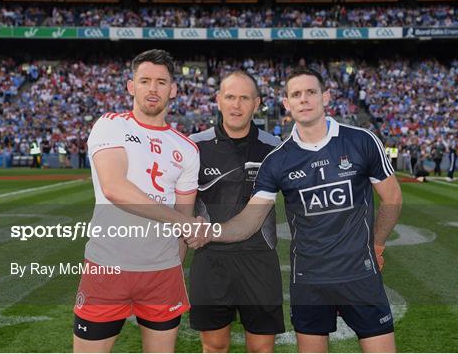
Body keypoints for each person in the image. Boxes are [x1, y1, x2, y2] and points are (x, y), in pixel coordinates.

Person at [186, 67, 402, 353]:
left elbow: (393, 198)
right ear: (286, 103)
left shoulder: (361, 140)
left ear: (325, 96)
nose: (304, 99)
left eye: (311, 92)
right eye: (296, 94)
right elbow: (250, 220)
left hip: (358, 275)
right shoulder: (277, 160)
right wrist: (208, 231)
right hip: (308, 280)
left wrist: (376, 243)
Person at [73, 49, 200, 353]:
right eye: (144, 80)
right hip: (107, 268)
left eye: (161, 82)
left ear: (174, 89)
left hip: (162, 274)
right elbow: (114, 188)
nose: (152, 89)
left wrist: (176, 258)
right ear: (131, 86)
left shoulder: (187, 148)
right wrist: (184, 223)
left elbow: (185, 217)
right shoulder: (111, 125)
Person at [189, 71, 284, 353]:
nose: (236, 105)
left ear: (257, 104)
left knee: (261, 349)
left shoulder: (275, 148)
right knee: (214, 346)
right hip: (210, 259)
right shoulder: (194, 145)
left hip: (260, 259)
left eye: (244, 98)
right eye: (230, 97)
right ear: (218, 100)